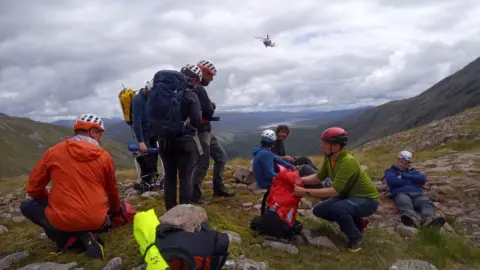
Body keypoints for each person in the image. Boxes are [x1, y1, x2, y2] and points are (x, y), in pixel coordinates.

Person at [20, 113, 123, 259]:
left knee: (27, 205)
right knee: (90, 213)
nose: (101, 136)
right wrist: (115, 214)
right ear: (93, 132)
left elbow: (33, 188)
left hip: (62, 220)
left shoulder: (53, 152)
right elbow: (112, 191)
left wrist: (50, 202)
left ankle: (68, 240)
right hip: (96, 220)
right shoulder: (105, 157)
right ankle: (87, 233)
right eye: (100, 132)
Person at [291, 127, 379, 252]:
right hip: (348, 196)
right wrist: (300, 180)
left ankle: (356, 238)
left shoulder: (347, 162)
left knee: (339, 209)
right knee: (319, 210)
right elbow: (318, 177)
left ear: (336, 146)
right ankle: (357, 223)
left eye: (325, 144)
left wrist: (305, 192)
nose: (322, 146)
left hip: (367, 199)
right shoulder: (329, 158)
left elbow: (334, 191)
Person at [147, 66, 203, 211]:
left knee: (170, 176)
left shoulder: (158, 94)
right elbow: (197, 120)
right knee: (185, 176)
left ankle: (170, 210)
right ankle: (184, 210)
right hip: (185, 143)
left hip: (164, 142)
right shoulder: (190, 96)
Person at [191, 59, 235, 203]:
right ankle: (195, 196)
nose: (212, 79)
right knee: (202, 163)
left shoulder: (194, 88)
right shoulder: (198, 88)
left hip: (205, 131)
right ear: (203, 72)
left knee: (220, 157)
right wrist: (212, 105)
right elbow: (209, 111)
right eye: (210, 75)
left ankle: (218, 189)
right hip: (200, 132)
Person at [384, 150, 446, 229]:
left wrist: (404, 176)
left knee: (427, 202)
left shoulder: (412, 171)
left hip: (417, 194)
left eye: (405, 163)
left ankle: (430, 220)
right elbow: (392, 180)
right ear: (398, 160)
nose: (403, 165)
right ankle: (411, 219)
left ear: (408, 164)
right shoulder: (390, 171)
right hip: (401, 193)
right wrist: (412, 182)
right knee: (404, 202)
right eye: (401, 162)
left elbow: (422, 178)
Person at [132, 80, 162, 193]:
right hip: (144, 133)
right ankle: (146, 182)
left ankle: (153, 179)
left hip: (152, 131)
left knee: (154, 156)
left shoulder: (150, 97)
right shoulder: (138, 101)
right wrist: (140, 141)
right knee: (146, 156)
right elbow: (137, 122)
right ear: (146, 90)